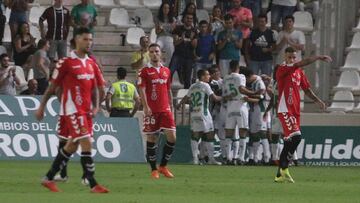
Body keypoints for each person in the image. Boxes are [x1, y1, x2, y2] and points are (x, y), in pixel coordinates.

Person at [35, 27, 109, 193]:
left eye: (90, 40)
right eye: (85, 39)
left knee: (72, 146)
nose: (88, 43)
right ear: (76, 39)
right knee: (86, 142)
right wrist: (41, 107)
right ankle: (93, 183)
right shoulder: (66, 62)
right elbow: (52, 87)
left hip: (87, 111)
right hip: (73, 109)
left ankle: (48, 178)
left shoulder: (91, 63)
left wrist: (96, 106)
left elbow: (97, 88)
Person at [274, 47, 331, 183]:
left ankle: (279, 174)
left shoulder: (299, 72)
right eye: (289, 57)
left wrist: (318, 101)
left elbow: (306, 89)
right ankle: (284, 168)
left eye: (294, 57)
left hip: (295, 111)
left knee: (289, 141)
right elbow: (301, 63)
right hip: (285, 109)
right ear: (285, 57)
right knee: (297, 138)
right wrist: (317, 57)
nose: (292, 60)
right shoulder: (282, 68)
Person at [138, 43, 176, 179]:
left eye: (157, 51)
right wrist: (146, 106)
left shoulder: (166, 70)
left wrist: (171, 104)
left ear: (161, 53)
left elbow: (168, 89)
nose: (155, 54)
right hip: (152, 110)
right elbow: (141, 89)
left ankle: (163, 166)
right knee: (152, 138)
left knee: (172, 138)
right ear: (149, 54)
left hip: (165, 109)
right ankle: (154, 169)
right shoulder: (144, 71)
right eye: (152, 52)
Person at [177, 69, 222, 165]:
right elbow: (214, 98)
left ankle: (195, 159)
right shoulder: (205, 85)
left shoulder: (193, 86)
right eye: (207, 75)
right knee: (209, 135)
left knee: (195, 136)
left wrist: (179, 104)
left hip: (194, 114)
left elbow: (186, 97)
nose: (209, 76)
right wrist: (225, 97)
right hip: (204, 114)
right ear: (202, 76)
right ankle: (211, 159)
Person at [222, 60, 259, 165]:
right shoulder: (241, 77)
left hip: (230, 107)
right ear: (238, 67)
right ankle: (239, 158)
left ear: (230, 68)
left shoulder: (225, 78)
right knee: (242, 133)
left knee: (229, 134)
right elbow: (241, 89)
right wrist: (254, 93)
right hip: (240, 105)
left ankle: (228, 158)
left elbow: (225, 96)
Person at [241, 67, 271, 165]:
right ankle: (254, 158)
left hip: (261, 111)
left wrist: (248, 99)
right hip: (254, 111)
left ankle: (267, 158)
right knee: (253, 135)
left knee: (262, 133)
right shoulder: (254, 83)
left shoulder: (259, 82)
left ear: (248, 77)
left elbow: (260, 99)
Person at [170, 13, 197, 88]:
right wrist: (182, 38)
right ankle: (166, 89)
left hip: (188, 57)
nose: (189, 20)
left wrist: (192, 40)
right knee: (170, 72)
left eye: (191, 18)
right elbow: (175, 43)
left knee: (187, 78)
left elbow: (195, 45)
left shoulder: (194, 31)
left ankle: (187, 95)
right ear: (184, 19)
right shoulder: (178, 29)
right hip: (177, 55)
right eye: (187, 18)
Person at [155, 2, 176, 66]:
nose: (166, 9)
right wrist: (160, 29)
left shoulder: (173, 19)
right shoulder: (158, 18)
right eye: (164, 8)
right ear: (162, 9)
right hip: (160, 37)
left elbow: (173, 31)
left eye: (168, 8)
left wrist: (173, 27)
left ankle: (166, 68)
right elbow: (157, 32)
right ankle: (158, 65)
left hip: (169, 38)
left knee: (170, 52)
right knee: (156, 49)